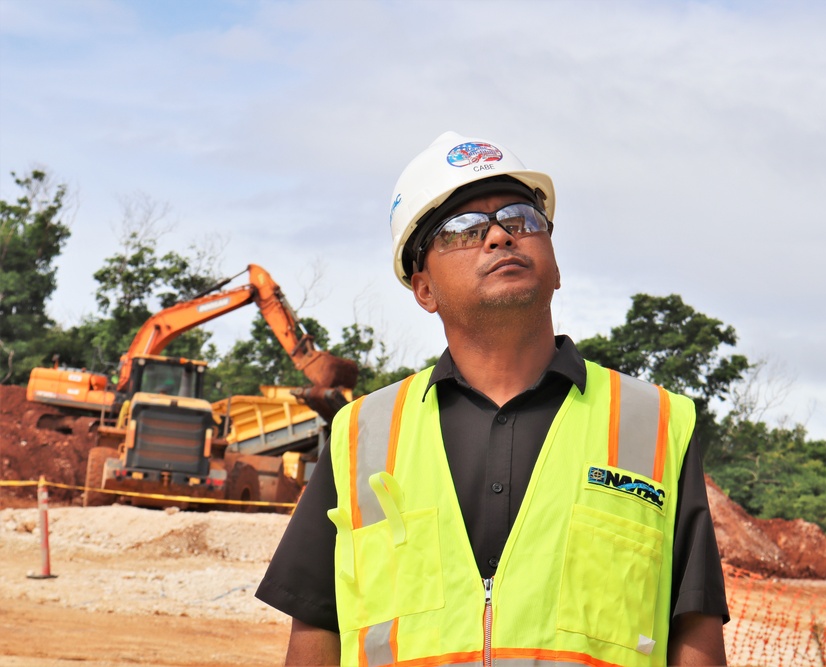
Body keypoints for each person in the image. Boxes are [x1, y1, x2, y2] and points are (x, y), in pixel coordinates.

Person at [256, 132, 729, 667]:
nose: (501, 236)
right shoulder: (362, 434)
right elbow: (318, 629)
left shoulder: (654, 424)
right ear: (424, 289)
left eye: (520, 218)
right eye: (464, 230)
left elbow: (695, 632)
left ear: (554, 266)